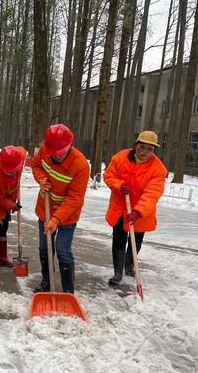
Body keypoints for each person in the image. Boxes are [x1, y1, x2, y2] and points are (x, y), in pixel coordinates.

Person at [31, 124, 89, 293]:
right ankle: (46, 282)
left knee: (63, 249)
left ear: (69, 145)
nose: (57, 156)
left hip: (67, 216)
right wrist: (41, 179)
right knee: (44, 247)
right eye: (54, 153)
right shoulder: (44, 150)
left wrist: (56, 219)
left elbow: (75, 198)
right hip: (45, 209)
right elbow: (36, 166)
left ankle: (68, 290)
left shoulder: (80, 166)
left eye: (61, 152)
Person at [104, 130, 167, 285]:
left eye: (149, 149)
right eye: (142, 146)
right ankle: (117, 272)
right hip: (120, 207)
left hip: (141, 211)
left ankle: (129, 265)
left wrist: (138, 211)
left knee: (135, 241)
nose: (144, 151)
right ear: (136, 144)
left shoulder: (158, 169)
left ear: (154, 151)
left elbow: (152, 193)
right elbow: (108, 176)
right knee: (118, 239)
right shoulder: (120, 158)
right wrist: (119, 185)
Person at [0, 145, 27, 276]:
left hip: (7, 197)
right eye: (9, 171)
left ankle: (1, 256)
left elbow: (22, 150)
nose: (13, 173)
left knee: (4, 227)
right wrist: (12, 205)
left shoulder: (20, 155)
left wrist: (13, 200)